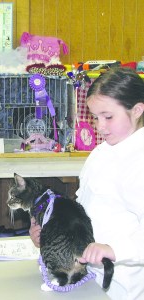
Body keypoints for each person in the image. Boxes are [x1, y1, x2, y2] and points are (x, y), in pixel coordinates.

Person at [29, 67, 144, 300]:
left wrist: (114, 250)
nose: (100, 127)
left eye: (108, 116)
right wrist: (52, 231)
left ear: (137, 110)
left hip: (123, 288)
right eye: (95, 117)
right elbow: (82, 207)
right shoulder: (100, 153)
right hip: (86, 277)